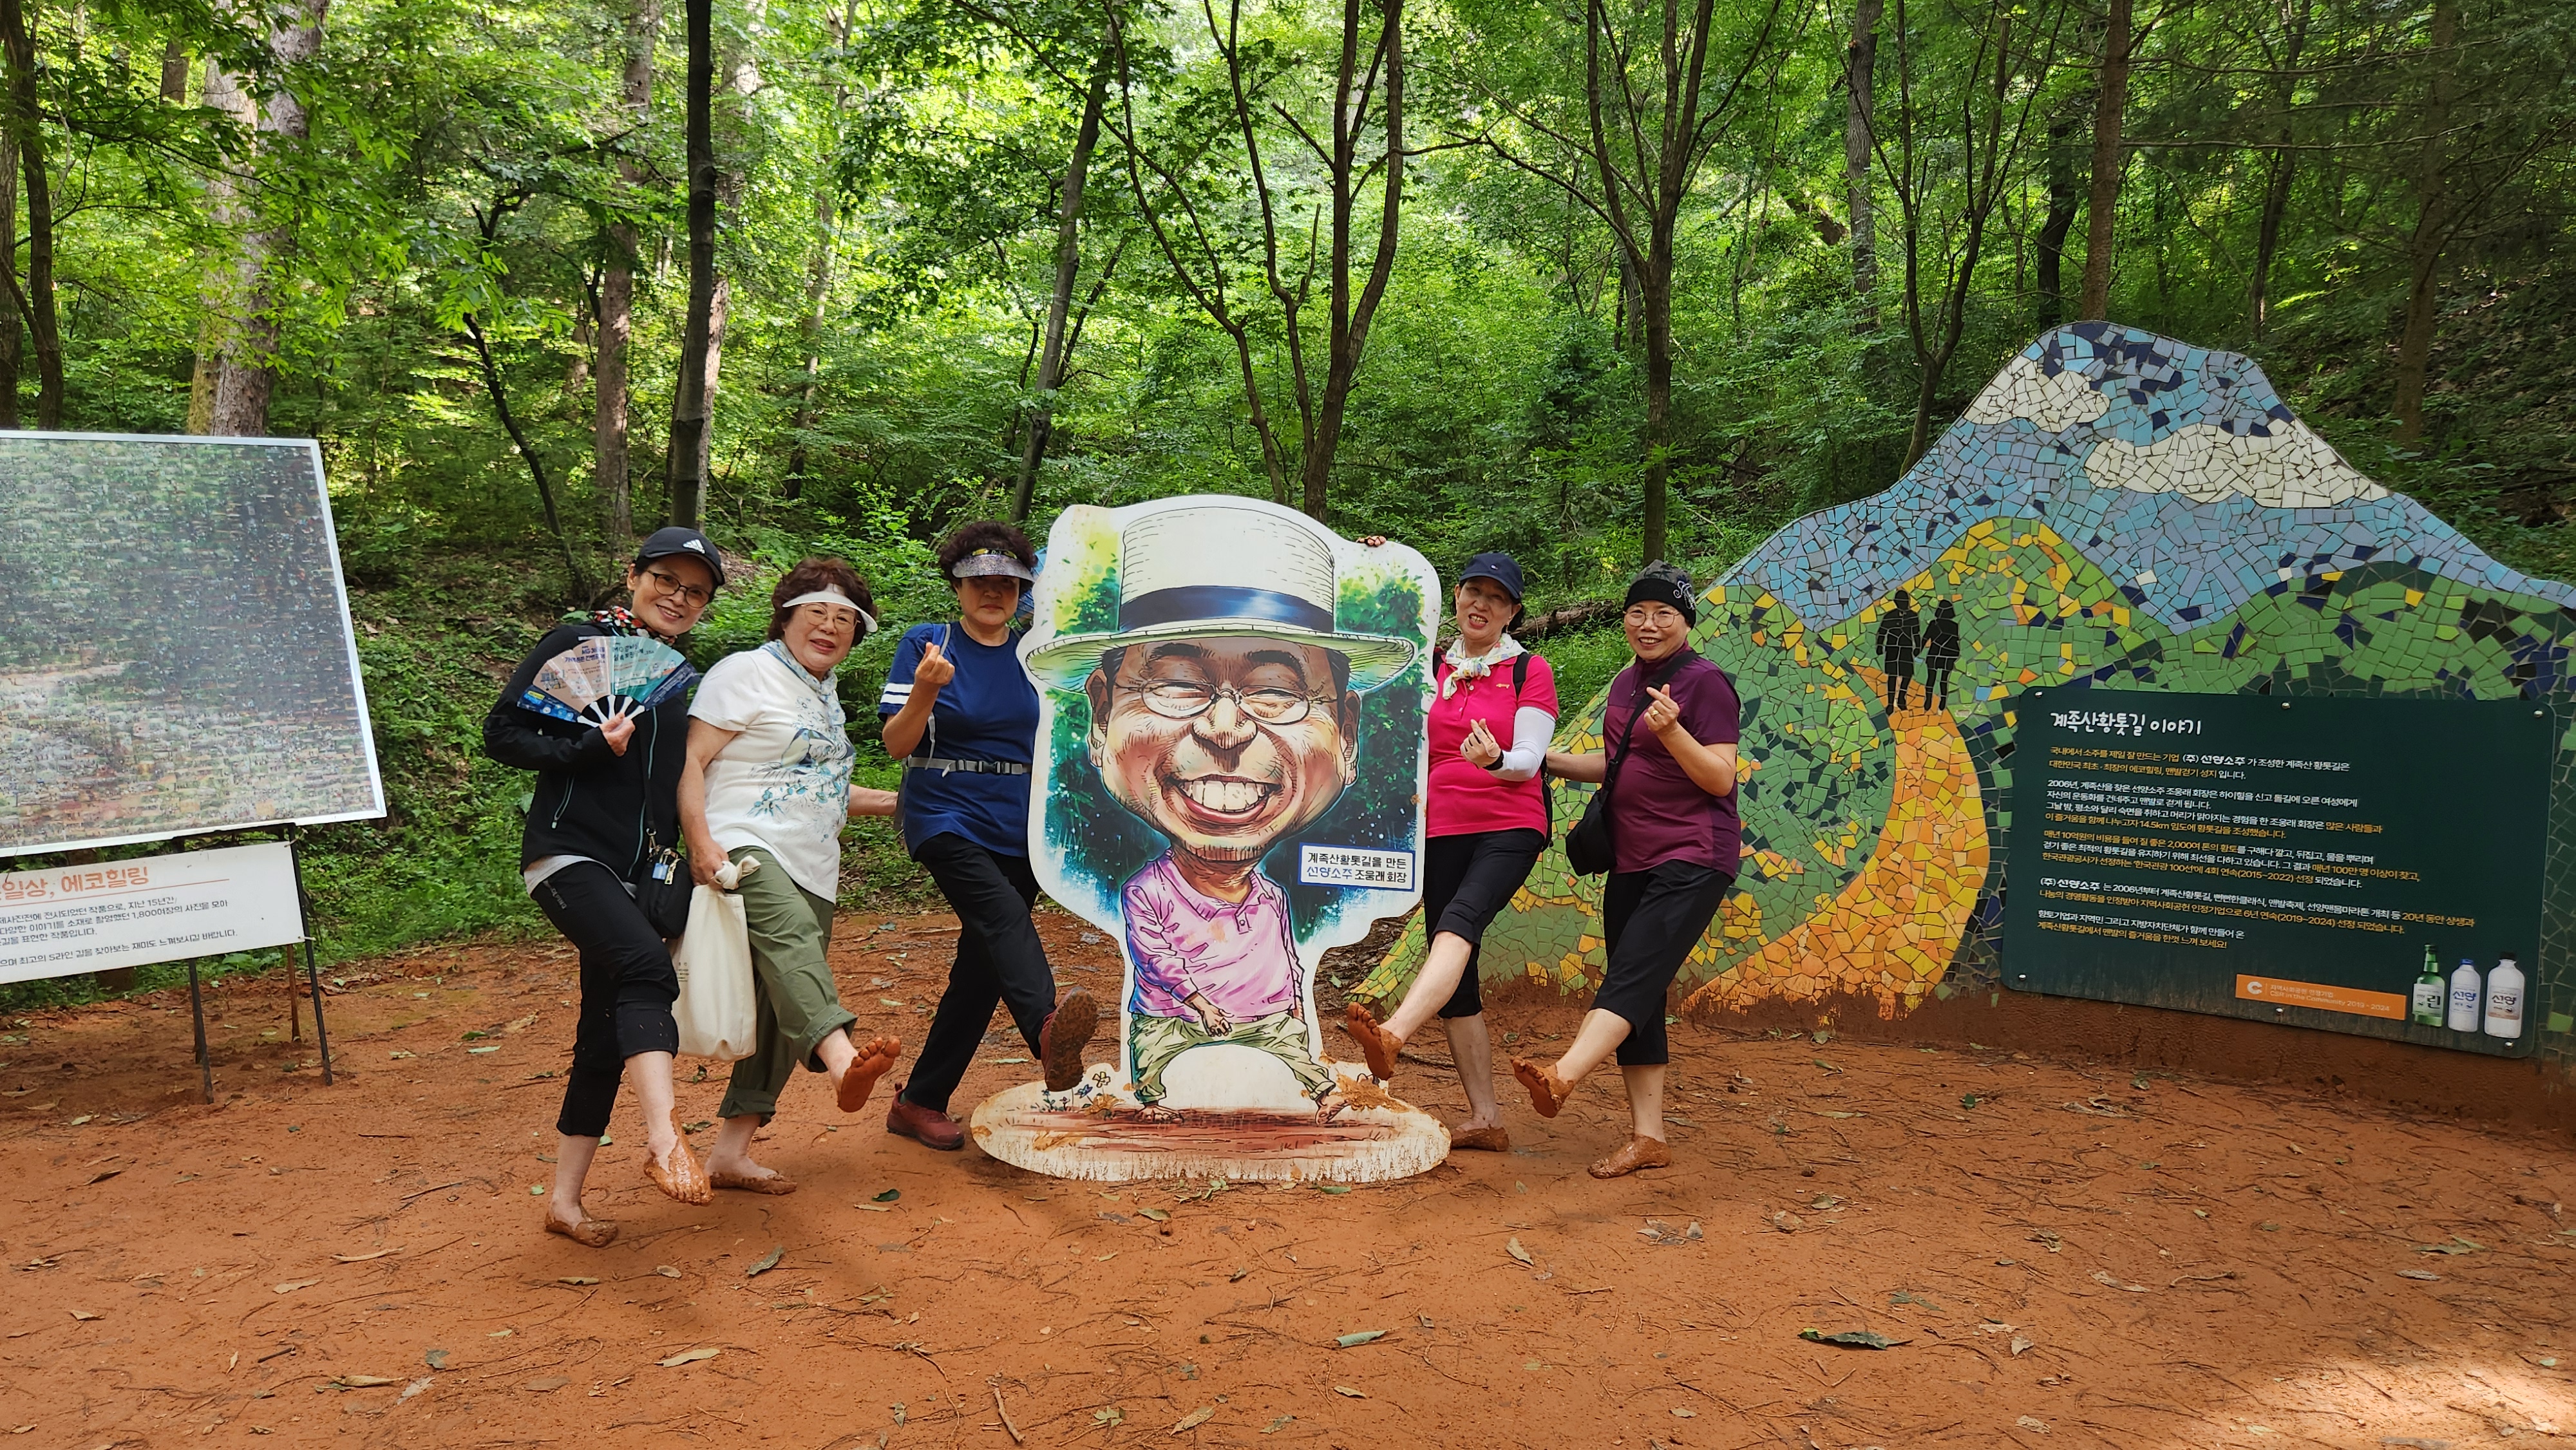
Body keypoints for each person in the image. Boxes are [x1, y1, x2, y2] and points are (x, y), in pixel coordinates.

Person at [1021, 504, 1420, 1123]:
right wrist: (1200, 1005)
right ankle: (1150, 1095)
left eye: (1278, 691)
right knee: (1155, 1055)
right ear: (1102, 718)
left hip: (1267, 1020)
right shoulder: (1146, 894)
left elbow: (1285, 959)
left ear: (1346, 734)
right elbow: (1159, 961)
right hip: (1173, 1019)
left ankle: (1323, 1094)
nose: (1226, 728)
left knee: (1294, 1053)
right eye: (1177, 683)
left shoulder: (1272, 898)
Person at [483, 526, 727, 1247]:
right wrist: (589, 746)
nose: (677, 597)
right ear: (634, 576)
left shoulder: (676, 679)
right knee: (648, 968)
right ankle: (663, 1139)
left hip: (638, 872)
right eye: (666, 580)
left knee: (602, 1030)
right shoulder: (576, 643)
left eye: (695, 592)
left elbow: (678, 780)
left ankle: (564, 1202)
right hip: (567, 855)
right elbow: (501, 733)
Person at [678, 558, 905, 1192]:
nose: (829, 627)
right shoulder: (745, 671)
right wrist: (700, 841)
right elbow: (691, 759)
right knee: (793, 939)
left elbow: (822, 788)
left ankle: (730, 1154)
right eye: (816, 613)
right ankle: (842, 1061)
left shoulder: (825, 699)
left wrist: (902, 801)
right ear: (786, 617)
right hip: (742, 840)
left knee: (781, 1007)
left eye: (844, 620)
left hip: (814, 861)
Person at [1511, 561, 1740, 1180]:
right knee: (1639, 988)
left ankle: (1564, 1076)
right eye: (1638, 612)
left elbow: (1720, 777)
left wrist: (1676, 735)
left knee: (1633, 978)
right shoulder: (1625, 682)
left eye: (1664, 613)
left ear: (1686, 621)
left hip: (1693, 854)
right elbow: (1614, 763)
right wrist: (1538, 761)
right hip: (1632, 857)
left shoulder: (1706, 683)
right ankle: (1649, 1138)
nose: (1649, 624)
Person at [878, 522, 1097, 1150]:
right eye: (980, 581)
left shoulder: (1034, 656)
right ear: (957, 585)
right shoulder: (929, 643)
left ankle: (919, 1100)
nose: (993, 592)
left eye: (1007, 582)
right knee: (1003, 916)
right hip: (944, 812)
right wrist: (926, 689)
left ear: (1023, 590)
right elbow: (896, 743)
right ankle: (1047, 1032)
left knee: (981, 969)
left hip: (1019, 822)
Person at [1342, 552, 1557, 1151]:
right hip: (1440, 829)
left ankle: (1393, 1035)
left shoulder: (1529, 670)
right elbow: (1370, 642)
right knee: (1458, 976)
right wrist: (1373, 562)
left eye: (1497, 597)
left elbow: (1529, 762)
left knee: (1458, 923)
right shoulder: (1431, 666)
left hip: (1510, 823)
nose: (1481, 605)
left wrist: (1496, 760)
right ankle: (1486, 1119)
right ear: (1457, 597)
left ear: (1513, 612)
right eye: (1473, 592)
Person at [1875, 588, 1920, 711]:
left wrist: (1918, 646)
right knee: (1893, 675)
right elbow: (1882, 632)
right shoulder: (1889, 616)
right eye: (1903, 601)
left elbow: (1916, 633)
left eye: (1907, 601)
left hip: (1906, 649)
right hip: (1892, 649)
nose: (1906, 604)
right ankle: (1890, 703)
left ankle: (1901, 697)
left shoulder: (1913, 616)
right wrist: (1879, 646)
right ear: (1897, 602)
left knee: (1907, 674)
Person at [1921, 598, 1961, 710]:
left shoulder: (1934, 624)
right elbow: (1955, 640)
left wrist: (1917, 650)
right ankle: (1943, 700)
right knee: (1944, 680)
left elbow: (1925, 638)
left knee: (1931, 678)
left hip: (1935, 654)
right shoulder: (1954, 626)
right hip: (1948, 655)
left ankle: (1928, 699)